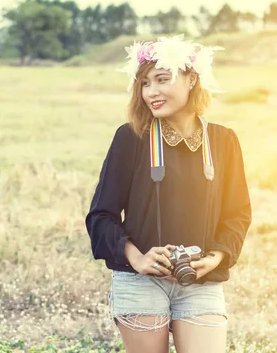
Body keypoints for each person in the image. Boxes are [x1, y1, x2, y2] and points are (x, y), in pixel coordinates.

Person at [85, 35, 252, 353]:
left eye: (162, 80)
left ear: (192, 79)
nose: (151, 92)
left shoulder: (223, 140)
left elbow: (238, 214)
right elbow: (101, 216)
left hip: (200, 282)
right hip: (139, 281)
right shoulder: (132, 137)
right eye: (145, 84)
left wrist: (214, 258)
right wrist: (139, 259)